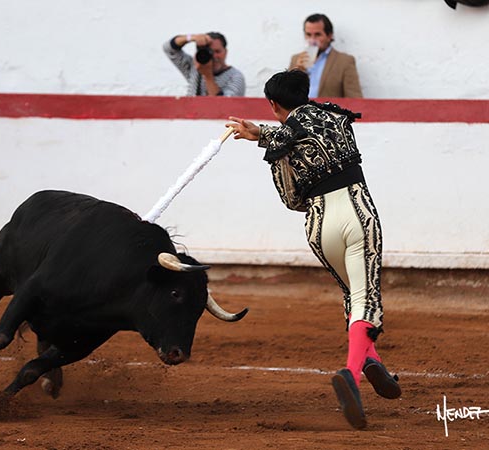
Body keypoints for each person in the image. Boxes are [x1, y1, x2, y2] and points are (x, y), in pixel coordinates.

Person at [225, 70, 400, 430]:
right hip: (356, 211)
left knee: (352, 294)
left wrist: (259, 134)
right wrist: (262, 132)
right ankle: (352, 373)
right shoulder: (336, 115)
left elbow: (292, 198)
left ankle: (372, 362)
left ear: (273, 104)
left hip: (319, 225)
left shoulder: (280, 140)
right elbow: (308, 125)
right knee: (364, 295)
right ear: (306, 93)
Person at [289, 14, 362, 98]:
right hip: (300, 110)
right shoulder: (296, 60)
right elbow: (284, 96)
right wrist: (296, 73)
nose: (312, 40)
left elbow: (354, 99)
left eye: (317, 35)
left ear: (329, 36)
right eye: (308, 35)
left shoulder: (345, 62)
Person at [163, 32, 246, 97]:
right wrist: (192, 38)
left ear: (225, 52)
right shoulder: (194, 67)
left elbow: (224, 106)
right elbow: (169, 49)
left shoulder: (235, 76)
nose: (214, 56)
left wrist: (208, 75)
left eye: (217, 51)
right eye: (210, 52)